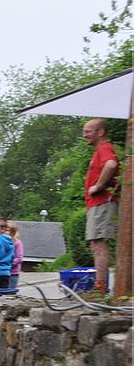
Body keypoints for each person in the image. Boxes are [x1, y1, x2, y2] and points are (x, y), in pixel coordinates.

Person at [82, 118, 119, 293]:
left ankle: (101, 288)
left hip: (102, 202)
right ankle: (101, 287)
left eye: (88, 131)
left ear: (100, 132)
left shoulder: (104, 148)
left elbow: (111, 164)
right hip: (97, 204)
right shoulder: (99, 150)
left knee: (98, 244)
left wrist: (99, 185)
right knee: (96, 244)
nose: (84, 135)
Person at [6, 221, 24, 290]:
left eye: (8, 230)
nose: (6, 232)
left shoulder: (17, 243)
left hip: (13, 273)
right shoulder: (2, 242)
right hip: (3, 273)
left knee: (10, 293)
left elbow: (19, 258)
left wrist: (7, 263)